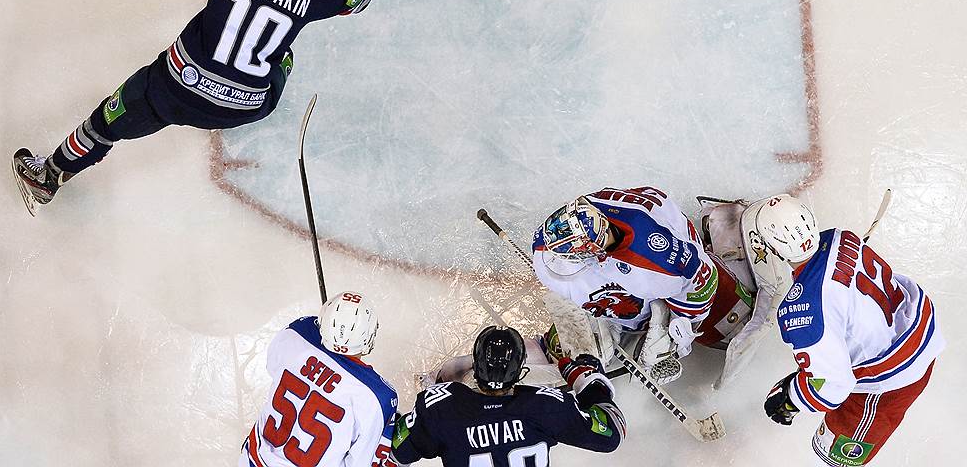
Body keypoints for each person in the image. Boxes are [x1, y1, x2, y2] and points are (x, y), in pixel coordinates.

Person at [12, 0, 408, 215]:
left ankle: (51, 174)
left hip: (175, 86)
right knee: (283, 54)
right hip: (244, 106)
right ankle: (267, 70)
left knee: (105, 123)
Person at [751, 195, 944, 466]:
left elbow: (834, 385)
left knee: (835, 455)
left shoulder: (802, 311)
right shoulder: (842, 237)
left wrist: (791, 398)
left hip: (890, 385)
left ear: (773, 247)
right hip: (914, 330)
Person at [532, 186, 743, 384]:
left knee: (725, 323)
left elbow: (703, 279)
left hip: (689, 271)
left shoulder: (656, 258)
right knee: (594, 341)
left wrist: (678, 331)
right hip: (651, 242)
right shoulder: (583, 216)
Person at [391, 326, 625, 467]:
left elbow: (396, 454)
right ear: (520, 371)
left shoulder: (439, 408)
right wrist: (589, 383)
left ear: (476, 365)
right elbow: (612, 433)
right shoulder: (546, 404)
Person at [241, 291, 398, 467]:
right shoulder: (377, 398)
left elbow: (272, 366)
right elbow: (361, 462)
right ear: (370, 336)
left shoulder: (296, 334)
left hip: (252, 460)